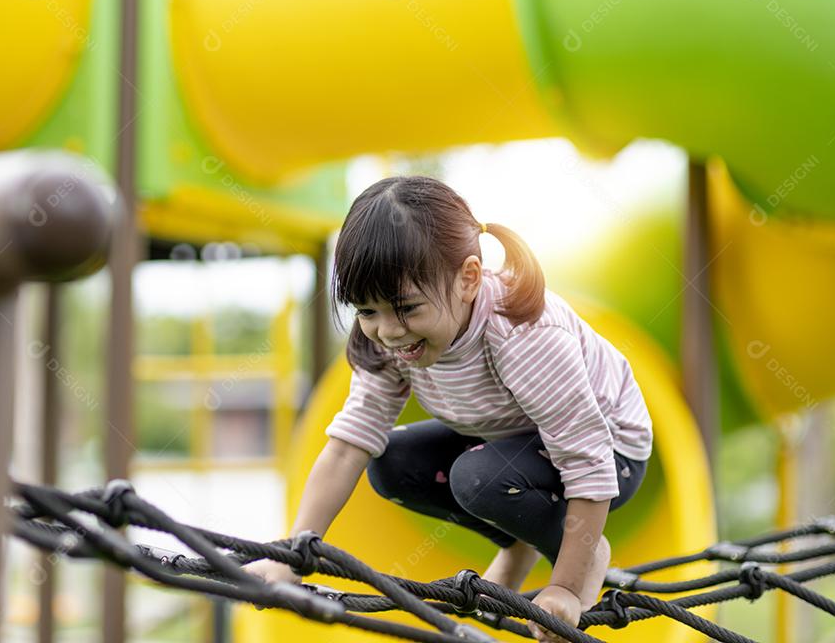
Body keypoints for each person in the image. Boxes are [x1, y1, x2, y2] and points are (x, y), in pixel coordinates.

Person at [247, 176, 652, 641]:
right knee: (392, 465)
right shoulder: (386, 341)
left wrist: (566, 586)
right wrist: (291, 555)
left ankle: (583, 551)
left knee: (479, 479)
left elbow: (587, 457)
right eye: (366, 311)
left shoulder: (521, 335)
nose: (389, 331)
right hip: (513, 444)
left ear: (469, 278)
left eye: (407, 308)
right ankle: (519, 545)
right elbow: (346, 449)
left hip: (611, 453)